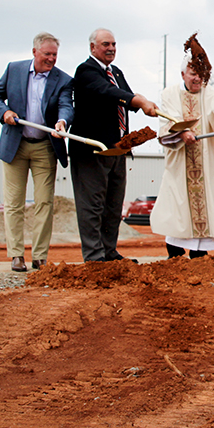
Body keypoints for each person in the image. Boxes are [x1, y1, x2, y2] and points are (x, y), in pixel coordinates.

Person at [69, 28, 159, 262]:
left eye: (114, 44)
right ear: (92, 47)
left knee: (113, 205)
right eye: (105, 44)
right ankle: (94, 256)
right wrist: (137, 100)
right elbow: (108, 93)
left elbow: (126, 95)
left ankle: (109, 252)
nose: (111, 48)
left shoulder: (115, 72)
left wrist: (145, 103)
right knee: (92, 205)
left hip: (118, 149)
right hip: (93, 150)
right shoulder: (86, 71)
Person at [0, 32, 73, 272]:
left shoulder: (64, 80)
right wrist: (4, 113)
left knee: (44, 202)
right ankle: (16, 255)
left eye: (55, 55)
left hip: (45, 147)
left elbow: (66, 105)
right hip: (15, 145)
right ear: (34, 52)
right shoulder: (13, 70)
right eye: (47, 54)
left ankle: (40, 257)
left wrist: (63, 122)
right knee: (14, 204)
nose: (51, 59)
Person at [150, 55, 214, 258]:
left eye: (201, 74)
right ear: (183, 74)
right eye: (193, 74)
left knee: (206, 207)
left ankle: (199, 254)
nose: (197, 78)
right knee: (176, 209)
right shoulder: (170, 94)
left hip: (206, 165)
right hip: (180, 164)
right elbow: (169, 119)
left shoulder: (210, 93)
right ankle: (174, 253)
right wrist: (182, 133)